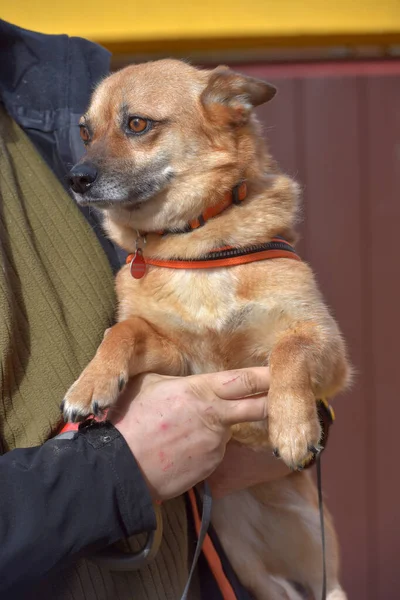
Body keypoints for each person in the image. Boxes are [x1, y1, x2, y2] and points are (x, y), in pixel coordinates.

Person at [0, 19, 288, 599]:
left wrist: (292, 408)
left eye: (135, 128)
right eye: (95, 133)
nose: (86, 162)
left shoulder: (51, 78)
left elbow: (274, 367)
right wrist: (118, 470)